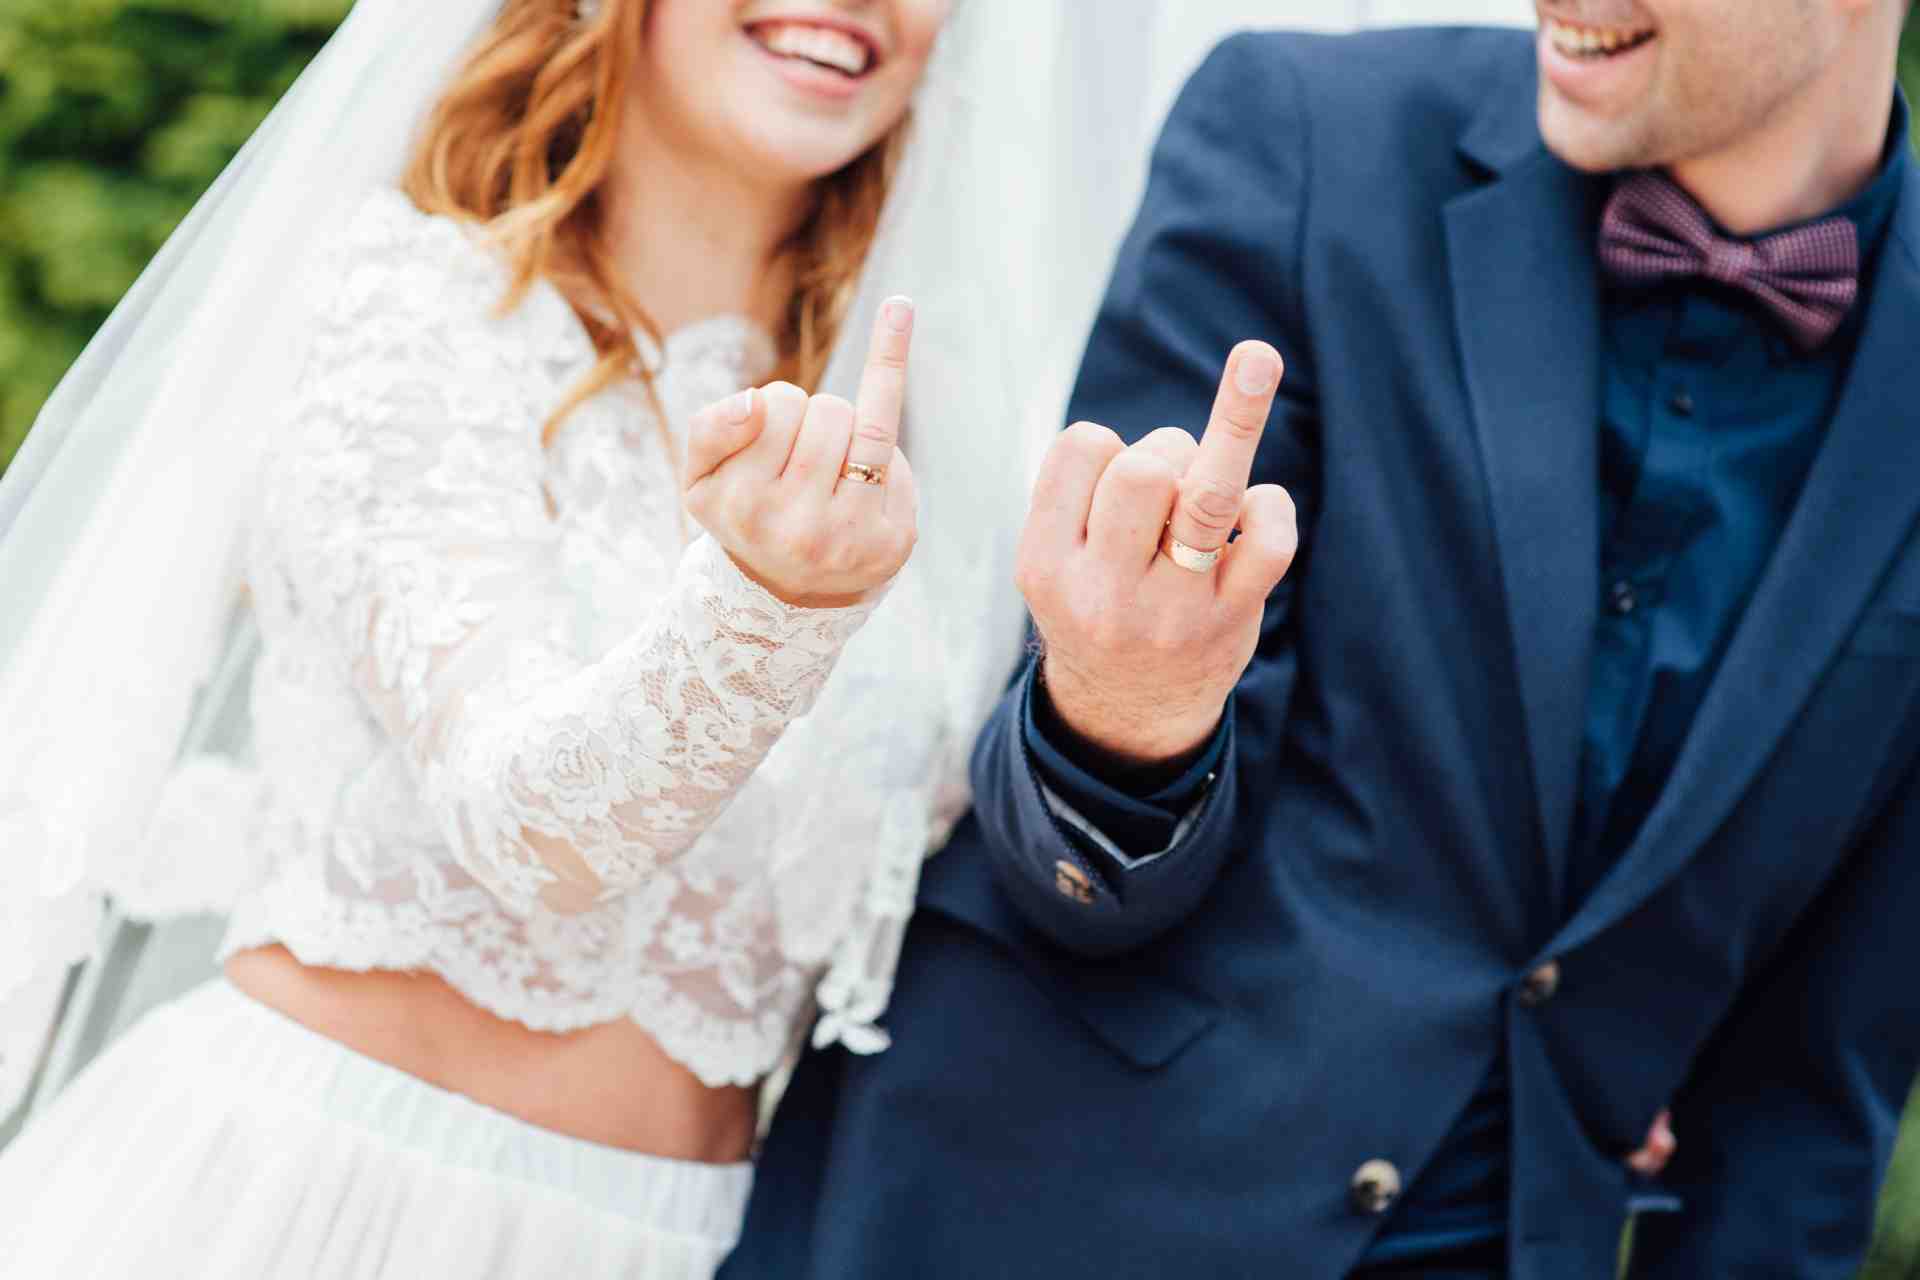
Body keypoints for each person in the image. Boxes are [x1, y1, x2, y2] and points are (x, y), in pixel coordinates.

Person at [722, 0, 1920, 1276]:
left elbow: (1810, 1101)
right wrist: (1124, 705)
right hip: (1040, 1211)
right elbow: (1057, 858)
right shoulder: (1304, 134)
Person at [0, 0, 1031, 1274]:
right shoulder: (409, 309)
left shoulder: (941, 440)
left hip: (692, 1242)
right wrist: (773, 605)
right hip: (314, 1204)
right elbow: (530, 823)